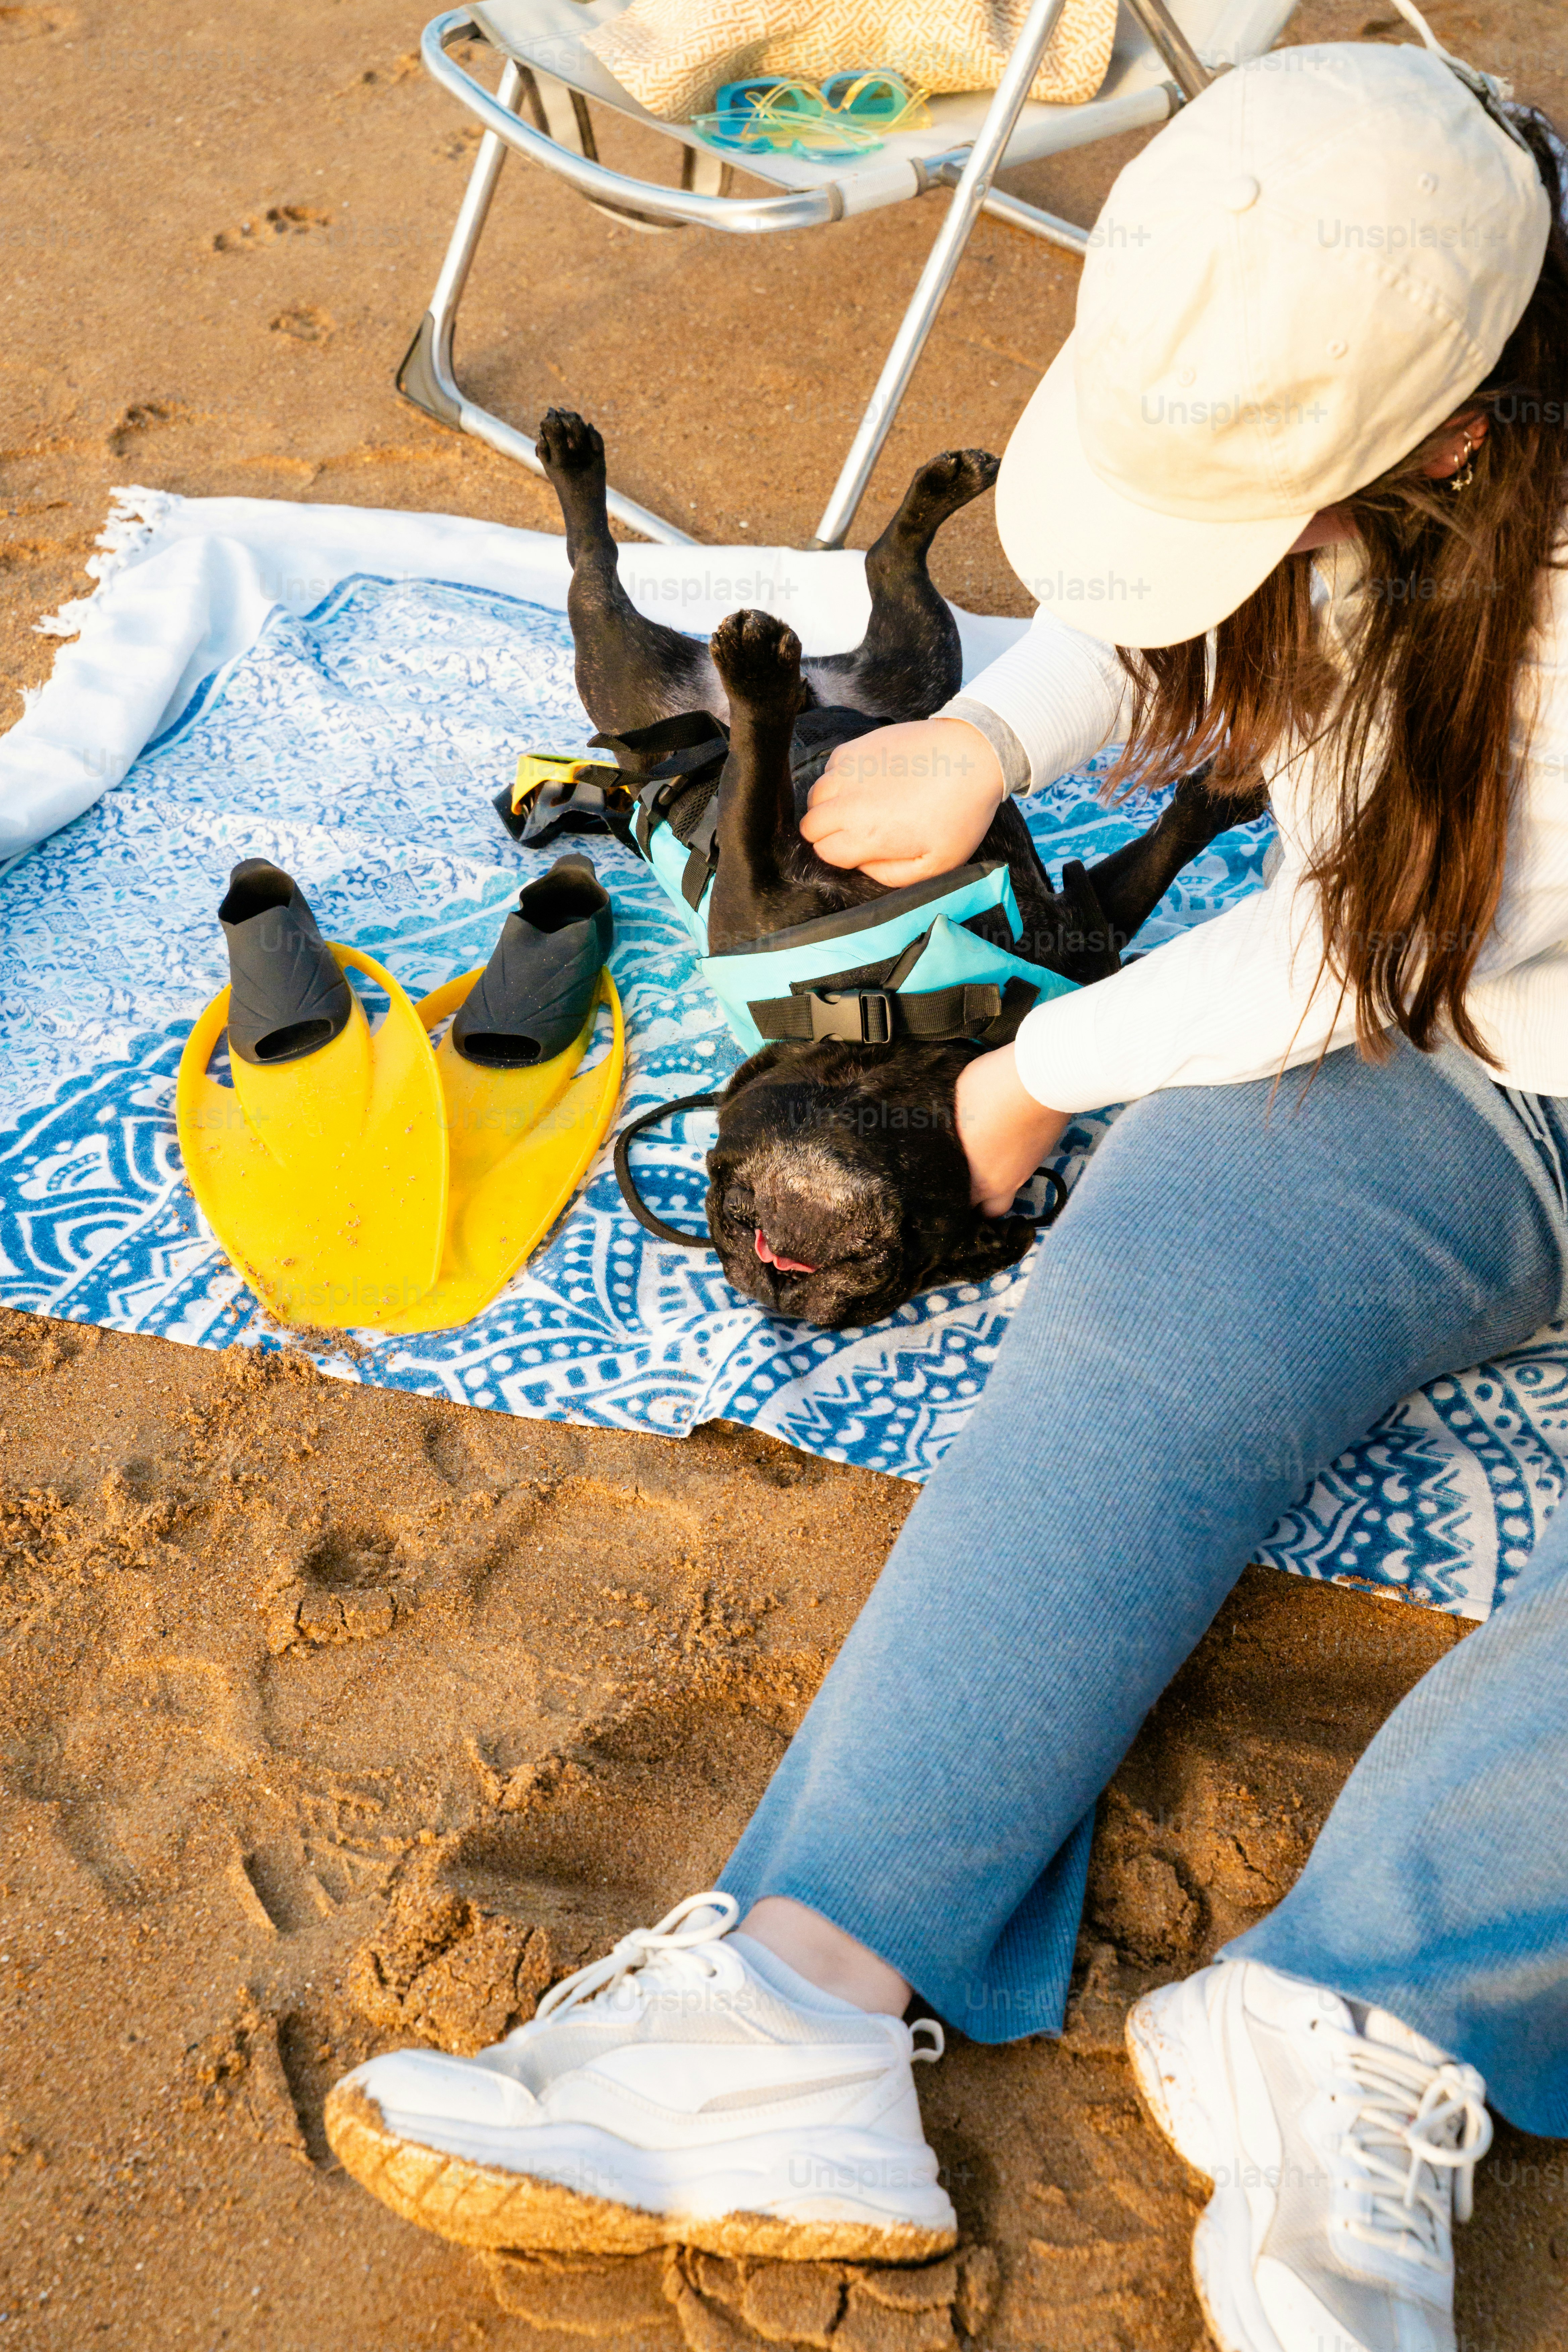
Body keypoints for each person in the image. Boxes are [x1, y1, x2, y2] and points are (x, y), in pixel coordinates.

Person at [328, 23, 1568, 2352]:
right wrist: (997, 730)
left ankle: (1386, 2014)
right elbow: (1248, 557)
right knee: (1157, 1292)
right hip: (1468, 1053)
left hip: (1452, 974)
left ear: (1466, 454)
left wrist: (1030, 1079)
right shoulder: (1398, 240)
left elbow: (1365, 937)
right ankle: (793, 1992)